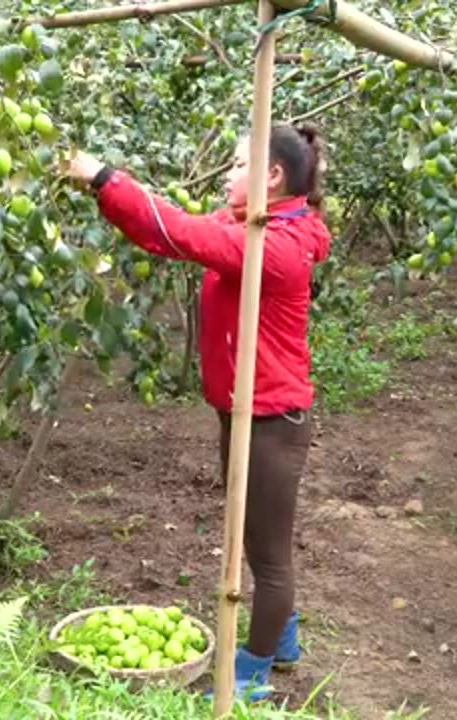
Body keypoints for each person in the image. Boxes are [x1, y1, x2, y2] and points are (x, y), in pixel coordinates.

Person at [62, 123, 332, 702]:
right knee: (255, 539)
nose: (228, 175)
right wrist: (112, 193)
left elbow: (177, 233)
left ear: (274, 177)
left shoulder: (275, 248)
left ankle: (252, 668)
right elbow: (169, 230)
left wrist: (103, 177)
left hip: (271, 421)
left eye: (238, 165)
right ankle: (280, 641)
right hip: (242, 411)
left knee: (268, 552)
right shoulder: (250, 226)